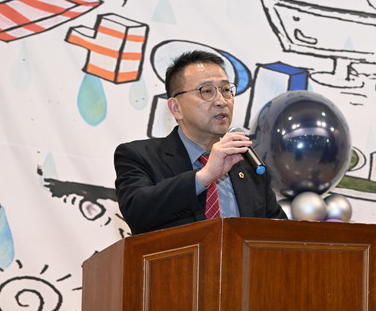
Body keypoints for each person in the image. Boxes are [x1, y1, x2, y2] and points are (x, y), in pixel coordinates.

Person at [114, 50, 287, 234]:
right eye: (206, 91)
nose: (221, 101)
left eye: (226, 90)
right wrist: (204, 176)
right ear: (176, 108)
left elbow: (281, 233)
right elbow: (137, 212)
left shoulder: (249, 165)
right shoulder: (139, 156)